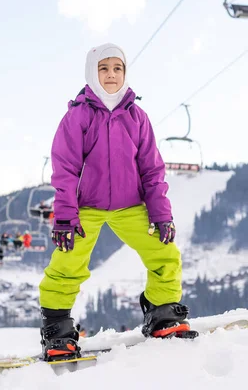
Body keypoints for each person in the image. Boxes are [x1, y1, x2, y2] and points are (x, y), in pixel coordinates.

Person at [38, 43, 194, 363]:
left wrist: (161, 214)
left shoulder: (137, 117)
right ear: (92, 73)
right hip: (87, 206)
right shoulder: (78, 116)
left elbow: (152, 169)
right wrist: (66, 216)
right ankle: (57, 328)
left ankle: (163, 313)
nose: (111, 74)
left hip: (131, 205)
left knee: (164, 252)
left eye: (117, 68)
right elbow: (65, 169)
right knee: (68, 262)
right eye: (104, 68)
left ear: (125, 73)